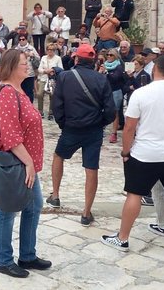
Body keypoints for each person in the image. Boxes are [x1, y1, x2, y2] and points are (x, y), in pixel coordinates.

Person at [102, 54, 164, 255]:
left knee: (134, 194)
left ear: (155, 70)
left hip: (146, 154)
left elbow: (129, 127)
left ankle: (123, 238)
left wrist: (126, 151)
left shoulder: (141, 94)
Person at [0, 49, 50, 278]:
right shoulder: (8, 92)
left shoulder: (18, 90)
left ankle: (27, 255)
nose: (27, 66)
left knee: (34, 205)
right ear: (10, 66)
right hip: (17, 163)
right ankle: (4, 260)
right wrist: (30, 163)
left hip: (25, 162)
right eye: (23, 63)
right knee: (7, 210)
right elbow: (10, 136)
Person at [48, 44, 115, 223]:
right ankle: (86, 212)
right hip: (93, 130)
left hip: (71, 127)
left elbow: (57, 104)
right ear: (93, 61)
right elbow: (110, 110)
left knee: (58, 156)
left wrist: (63, 123)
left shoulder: (65, 77)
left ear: (76, 59)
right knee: (91, 168)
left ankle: (55, 195)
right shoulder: (101, 79)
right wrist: (100, 123)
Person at [100, 48, 126, 144]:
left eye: (111, 55)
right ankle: (101, 129)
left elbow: (116, 77)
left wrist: (107, 72)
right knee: (102, 110)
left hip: (115, 91)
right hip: (105, 91)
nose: (109, 56)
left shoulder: (118, 66)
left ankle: (114, 133)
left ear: (115, 56)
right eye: (108, 55)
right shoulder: (105, 64)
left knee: (115, 112)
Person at [36, 43, 63, 120]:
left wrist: (53, 70)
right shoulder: (43, 58)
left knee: (52, 95)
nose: (49, 51)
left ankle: (51, 112)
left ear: (54, 50)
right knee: (39, 94)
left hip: (52, 79)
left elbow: (61, 69)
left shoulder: (58, 58)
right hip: (43, 78)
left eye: (51, 50)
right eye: (48, 49)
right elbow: (39, 69)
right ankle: (40, 111)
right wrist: (45, 71)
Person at [14, 34, 39, 102]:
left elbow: (38, 60)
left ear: (26, 40)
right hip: (19, 74)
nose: (21, 41)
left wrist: (32, 56)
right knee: (20, 91)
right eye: (20, 39)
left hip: (29, 73)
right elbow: (13, 60)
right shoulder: (16, 49)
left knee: (29, 92)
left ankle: (30, 105)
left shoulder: (31, 48)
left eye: (23, 39)